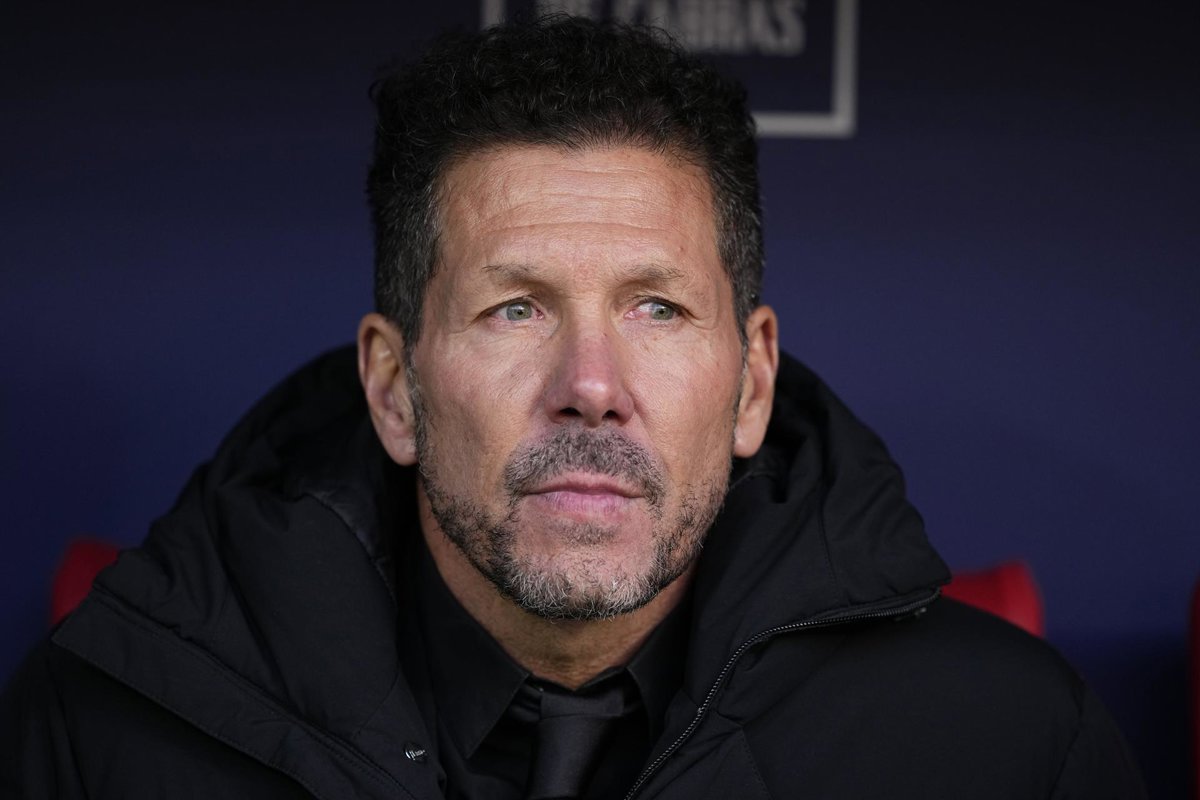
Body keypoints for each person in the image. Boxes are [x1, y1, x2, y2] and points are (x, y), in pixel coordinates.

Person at [1, 16, 1145, 800]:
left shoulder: (1010, 745)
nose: (591, 385)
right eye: (515, 308)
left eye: (657, 307)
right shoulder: (103, 734)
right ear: (393, 389)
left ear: (752, 383)